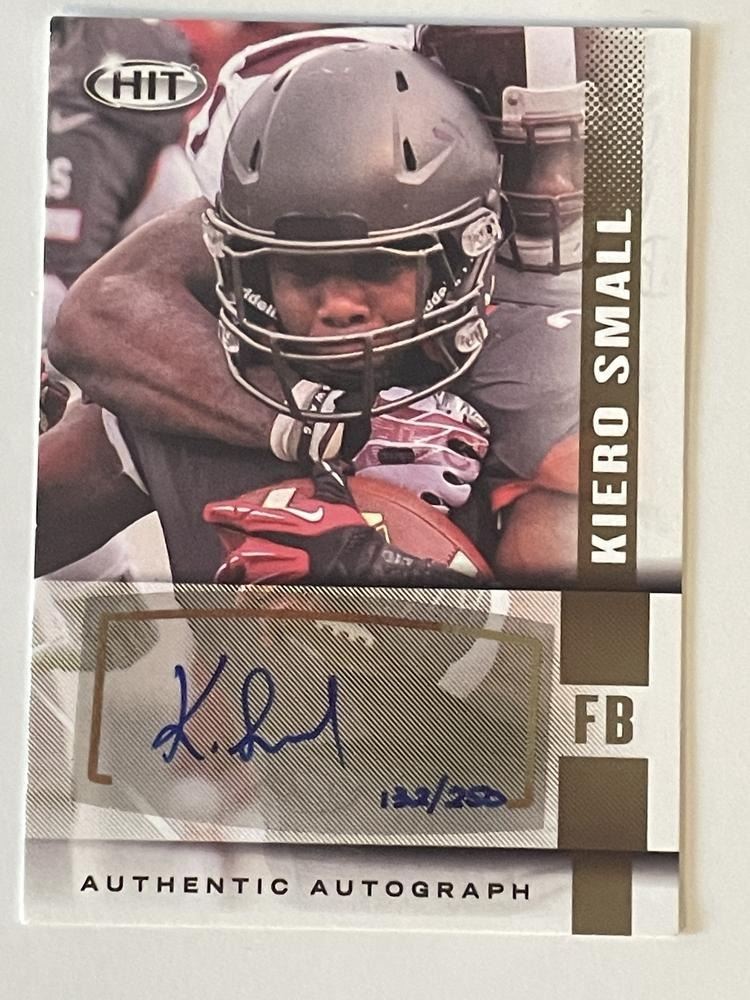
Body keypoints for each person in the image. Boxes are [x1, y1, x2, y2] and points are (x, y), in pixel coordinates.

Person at [47, 41, 580, 586]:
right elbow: (26, 527)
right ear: (250, 269)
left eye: (377, 266)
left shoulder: (542, 384)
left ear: (453, 259)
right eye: (302, 272)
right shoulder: (194, 386)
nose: (339, 306)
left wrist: (407, 591)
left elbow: (581, 635)